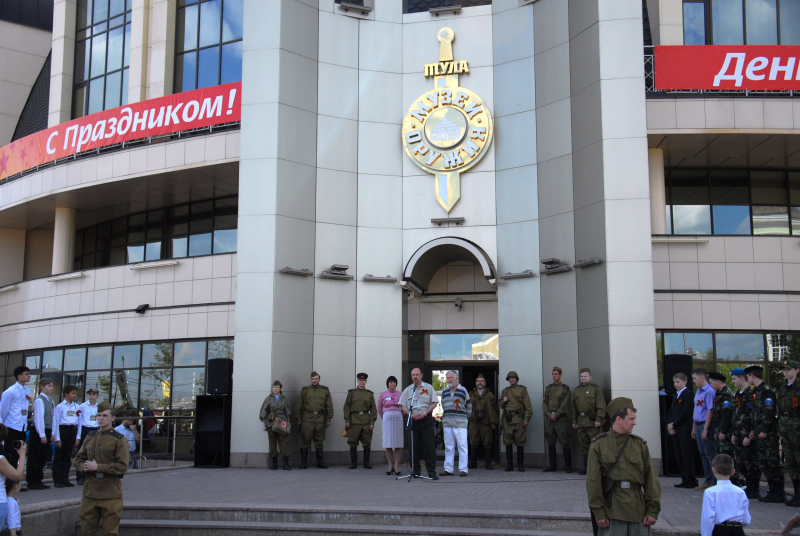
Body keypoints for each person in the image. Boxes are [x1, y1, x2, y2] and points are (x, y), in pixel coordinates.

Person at [586, 397, 661, 536]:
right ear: (619, 419)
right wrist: (599, 512)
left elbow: (652, 480)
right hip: (612, 511)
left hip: (638, 511)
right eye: (631, 419)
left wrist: (652, 511)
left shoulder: (639, 445)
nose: (635, 423)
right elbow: (593, 482)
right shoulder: (598, 445)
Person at [73, 402, 129, 536]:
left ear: (113, 418)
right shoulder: (90, 437)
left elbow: (122, 467)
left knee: (110, 532)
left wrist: (98, 467)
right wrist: (84, 467)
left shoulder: (119, 440)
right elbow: (77, 460)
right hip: (90, 492)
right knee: (87, 530)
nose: (100, 418)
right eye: (98, 415)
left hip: (110, 493)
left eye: (104, 415)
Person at [745, 364, 785, 503]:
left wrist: (763, 431)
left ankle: (778, 491)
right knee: (763, 462)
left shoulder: (767, 391)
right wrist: (752, 430)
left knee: (772, 461)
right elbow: (753, 413)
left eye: (748, 376)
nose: (748, 378)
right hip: (758, 432)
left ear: (752, 376)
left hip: (768, 433)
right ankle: (772, 491)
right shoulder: (755, 392)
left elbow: (769, 412)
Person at [400, 367, 440, 480]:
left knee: (429, 447)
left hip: (425, 419)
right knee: (414, 448)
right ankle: (415, 471)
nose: (415, 377)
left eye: (417, 375)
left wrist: (425, 413)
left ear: (421, 375)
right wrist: (410, 415)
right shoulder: (408, 390)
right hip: (413, 420)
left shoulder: (429, 387)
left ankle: (431, 472)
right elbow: (403, 405)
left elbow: (434, 402)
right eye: (413, 375)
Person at [700, 454, 750, 536]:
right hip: (737, 529)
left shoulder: (710, 492)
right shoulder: (740, 491)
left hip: (720, 529)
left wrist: (706, 534)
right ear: (733, 472)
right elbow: (746, 517)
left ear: (713, 470)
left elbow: (708, 518)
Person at [730, 368, 759, 499]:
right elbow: (735, 416)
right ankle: (747, 486)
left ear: (742, 379)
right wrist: (734, 434)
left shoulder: (750, 394)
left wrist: (748, 435)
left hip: (746, 434)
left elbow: (751, 416)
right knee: (741, 462)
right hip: (738, 433)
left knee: (750, 462)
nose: (732, 381)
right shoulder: (738, 394)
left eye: (734, 379)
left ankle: (754, 488)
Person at [572, 368, 606, 475]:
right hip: (581, 422)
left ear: (590, 377)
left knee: (595, 445)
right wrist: (574, 420)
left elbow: (601, 405)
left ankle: (597, 468)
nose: (583, 378)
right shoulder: (577, 390)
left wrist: (599, 419)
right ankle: (586, 467)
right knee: (584, 446)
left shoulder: (595, 389)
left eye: (585, 376)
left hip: (592, 422)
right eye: (581, 376)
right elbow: (574, 407)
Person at [296, 371, 333, 469]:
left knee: (319, 441)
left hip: (320, 418)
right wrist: (299, 418)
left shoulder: (325, 390)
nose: (314, 380)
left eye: (316, 379)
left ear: (319, 379)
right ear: (310, 380)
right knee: (305, 440)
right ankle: (304, 463)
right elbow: (299, 405)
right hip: (307, 418)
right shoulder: (305, 390)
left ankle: (320, 463)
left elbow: (329, 405)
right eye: (312, 379)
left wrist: (328, 418)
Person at [668, 372, 698, 489]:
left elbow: (686, 412)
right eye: (674, 382)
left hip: (684, 428)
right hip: (676, 428)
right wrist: (670, 424)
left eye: (678, 382)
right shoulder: (676, 395)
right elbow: (671, 411)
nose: (676, 384)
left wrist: (674, 423)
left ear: (685, 382)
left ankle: (691, 479)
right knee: (679, 454)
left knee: (686, 454)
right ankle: (684, 478)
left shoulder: (688, 394)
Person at [709, 372, 740, 486]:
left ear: (718, 382)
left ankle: (734, 480)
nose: (710, 385)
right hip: (720, 430)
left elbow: (727, 415)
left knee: (728, 456)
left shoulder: (726, 395)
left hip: (726, 431)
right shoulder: (719, 394)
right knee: (722, 454)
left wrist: (722, 431)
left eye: (711, 383)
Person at [0, 367, 31, 481]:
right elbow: (3, 409)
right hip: (11, 426)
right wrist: (3, 426)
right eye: (26, 374)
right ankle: (7, 480)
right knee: (9, 454)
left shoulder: (27, 391)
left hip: (22, 426)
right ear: (19, 376)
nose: (29, 376)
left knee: (18, 455)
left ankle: (14, 481)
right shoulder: (10, 391)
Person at [439, 371, 471, 477]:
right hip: (448, 423)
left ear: (456, 378)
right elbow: (443, 405)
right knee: (449, 447)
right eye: (447, 378)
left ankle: (463, 469)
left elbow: (469, 406)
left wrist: (466, 418)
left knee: (462, 446)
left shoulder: (463, 390)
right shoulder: (444, 391)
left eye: (451, 377)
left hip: (460, 423)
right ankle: (448, 469)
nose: (449, 379)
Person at [500, 371, 532, 472]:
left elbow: (528, 407)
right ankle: (510, 465)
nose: (511, 380)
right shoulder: (505, 391)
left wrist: (526, 419)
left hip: (519, 419)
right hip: (508, 419)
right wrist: (503, 401)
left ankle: (520, 465)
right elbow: (500, 405)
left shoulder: (522, 390)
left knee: (520, 442)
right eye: (510, 378)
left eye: (513, 378)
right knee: (508, 442)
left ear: (517, 379)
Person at [778, 359, 800, 506]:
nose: (786, 372)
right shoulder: (782, 388)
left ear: (797, 370)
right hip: (785, 426)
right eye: (784, 369)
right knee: (790, 461)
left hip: (797, 426)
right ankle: (797, 494)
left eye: (789, 369)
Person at [344, 372, 377, 469]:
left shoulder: (369, 394)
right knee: (353, 442)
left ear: (366, 381)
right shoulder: (351, 393)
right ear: (357, 381)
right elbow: (346, 407)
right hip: (354, 421)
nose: (361, 382)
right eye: (360, 380)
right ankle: (353, 463)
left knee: (367, 442)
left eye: (363, 380)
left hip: (365, 421)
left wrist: (372, 422)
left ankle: (366, 463)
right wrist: (347, 420)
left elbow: (373, 410)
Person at [542, 366, 572, 473]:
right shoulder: (549, 388)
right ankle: (552, 465)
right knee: (550, 442)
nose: (554, 376)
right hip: (550, 420)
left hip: (560, 420)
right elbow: (545, 403)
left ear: (560, 375)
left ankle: (568, 466)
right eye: (553, 374)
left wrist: (556, 415)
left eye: (556, 374)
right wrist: (549, 414)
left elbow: (565, 405)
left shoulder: (565, 389)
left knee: (565, 442)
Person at [27, 378, 54, 491]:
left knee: (42, 457)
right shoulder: (39, 400)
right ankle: (32, 481)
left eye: (52, 386)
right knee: (35, 456)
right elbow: (39, 419)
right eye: (49, 386)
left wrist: (52, 432)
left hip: (47, 430)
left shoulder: (50, 400)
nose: (51, 388)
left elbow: (52, 417)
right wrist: (42, 434)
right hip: (38, 431)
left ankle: (39, 479)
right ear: (42, 387)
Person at [693, 367, 717, 491]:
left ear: (702, 378)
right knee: (702, 454)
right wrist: (693, 427)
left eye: (695, 378)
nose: (694, 381)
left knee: (709, 454)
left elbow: (710, 410)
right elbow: (696, 409)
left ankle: (714, 480)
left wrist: (706, 429)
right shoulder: (698, 391)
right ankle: (707, 480)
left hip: (705, 424)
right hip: (698, 424)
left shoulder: (709, 391)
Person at [468, 373, 498, 470]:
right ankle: (473, 463)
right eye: (478, 381)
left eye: (481, 381)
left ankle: (488, 463)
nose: (479, 382)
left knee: (487, 442)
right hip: (473, 421)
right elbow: (466, 407)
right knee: (473, 441)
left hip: (486, 422)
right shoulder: (471, 394)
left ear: (485, 383)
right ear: (475, 383)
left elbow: (493, 409)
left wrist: (493, 422)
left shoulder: (489, 395)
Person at [259, 380, 291, 470]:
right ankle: (274, 464)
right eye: (273, 387)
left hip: (282, 422)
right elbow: (263, 412)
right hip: (271, 423)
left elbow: (288, 412)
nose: (275, 389)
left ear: (280, 388)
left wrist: (287, 424)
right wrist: (264, 424)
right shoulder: (268, 398)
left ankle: (285, 464)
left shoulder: (285, 398)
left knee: (284, 442)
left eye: (277, 387)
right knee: (272, 443)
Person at [52, 384, 80, 488]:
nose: (75, 395)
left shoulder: (77, 407)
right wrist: (57, 438)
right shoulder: (60, 407)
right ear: (66, 394)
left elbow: (79, 422)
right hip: (63, 430)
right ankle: (57, 479)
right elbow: (56, 422)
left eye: (75, 393)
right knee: (59, 456)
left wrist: (78, 436)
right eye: (73, 393)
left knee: (67, 456)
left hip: (72, 430)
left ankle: (65, 478)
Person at [377, 375, 403, 475]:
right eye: (390, 382)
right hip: (387, 418)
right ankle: (390, 466)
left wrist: (399, 415)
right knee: (388, 442)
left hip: (398, 417)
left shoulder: (400, 394)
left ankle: (396, 466)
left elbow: (403, 407)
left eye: (394, 382)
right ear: (387, 384)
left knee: (398, 442)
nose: (392, 384)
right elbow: (379, 408)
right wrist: (384, 418)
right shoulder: (383, 394)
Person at [76, 388, 100, 485]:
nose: (91, 396)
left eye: (93, 394)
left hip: (95, 429)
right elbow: (79, 420)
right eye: (89, 394)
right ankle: (80, 477)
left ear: (97, 396)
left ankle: (92, 476)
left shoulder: (99, 407)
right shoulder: (82, 406)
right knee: (82, 453)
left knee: (94, 453)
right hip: (84, 429)